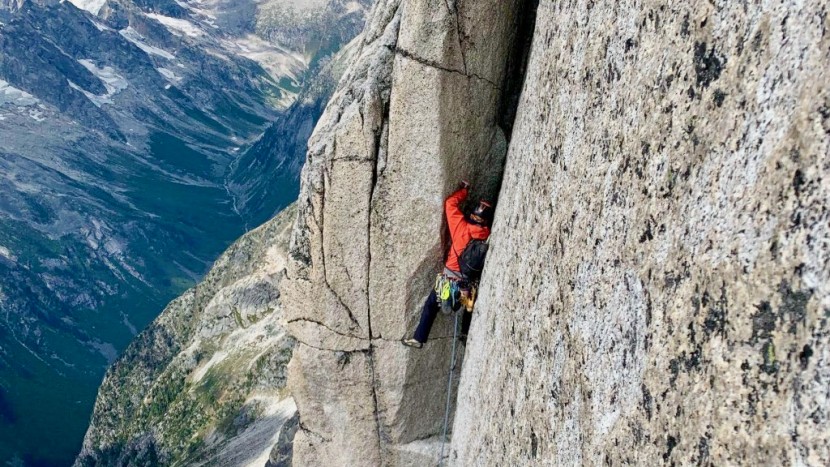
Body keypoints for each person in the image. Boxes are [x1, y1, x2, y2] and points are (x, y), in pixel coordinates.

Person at [403, 180, 493, 349]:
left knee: (431, 304)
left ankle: (418, 339)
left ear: (472, 214)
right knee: (469, 307)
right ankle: (464, 332)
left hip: (449, 278)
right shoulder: (485, 233)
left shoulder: (460, 226)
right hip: (468, 283)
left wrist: (464, 190)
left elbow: (450, 203)